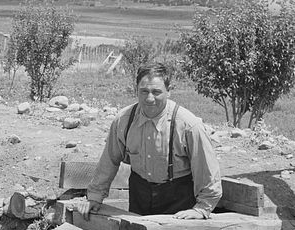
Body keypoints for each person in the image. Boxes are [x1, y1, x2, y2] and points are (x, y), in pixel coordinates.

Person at [73, 62, 222, 219]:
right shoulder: (124, 121)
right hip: (140, 194)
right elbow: (109, 160)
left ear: (169, 91)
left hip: (178, 200)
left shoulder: (188, 126)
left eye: (156, 92)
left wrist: (201, 209)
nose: (150, 98)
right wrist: (95, 197)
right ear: (136, 90)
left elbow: (206, 170)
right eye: (144, 91)